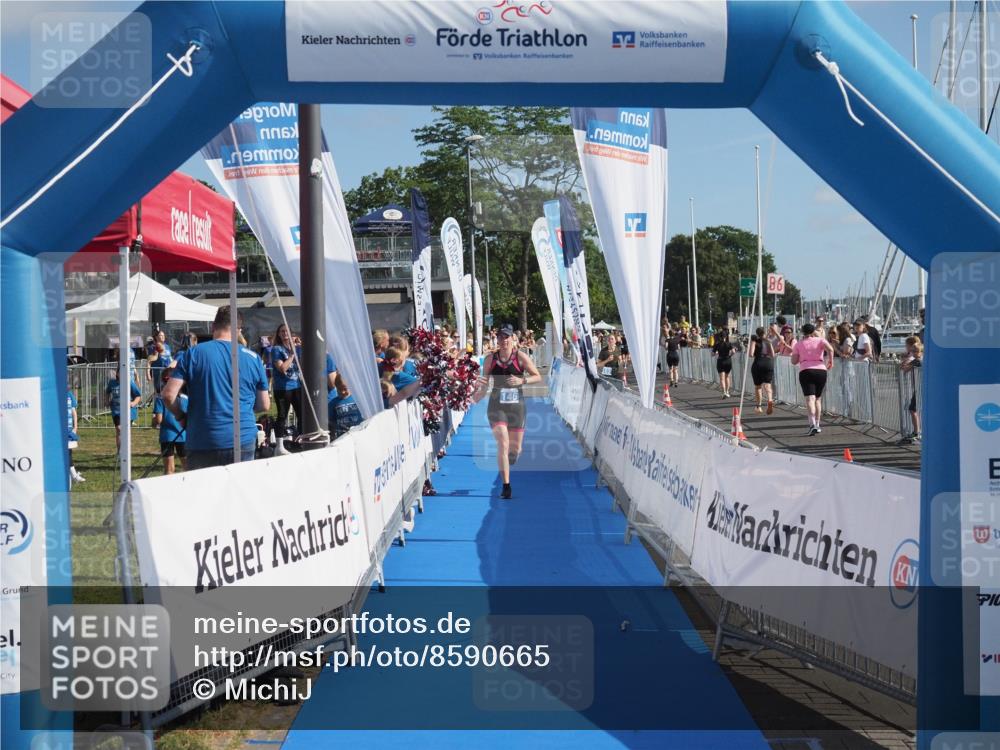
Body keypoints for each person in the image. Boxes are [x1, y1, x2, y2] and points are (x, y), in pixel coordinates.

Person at [161, 305, 270, 469]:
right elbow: (264, 405)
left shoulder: (193, 353)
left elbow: (168, 395)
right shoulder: (254, 358)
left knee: (203, 493)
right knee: (238, 493)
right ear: (238, 330)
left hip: (202, 439)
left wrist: (181, 416)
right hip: (242, 438)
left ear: (213, 326)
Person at [475, 324, 541, 499]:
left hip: (516, 407)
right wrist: (472, 398)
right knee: (502, 444)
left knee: (515, 449)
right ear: (496, 339)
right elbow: (483, 384)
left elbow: (537, 376)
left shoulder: (520, 357)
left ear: (513, 339)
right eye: (500, 337)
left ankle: (512, 456)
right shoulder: (491, 359)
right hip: (497, 407)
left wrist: (522, 381)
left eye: (506, 337)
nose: (503, 340)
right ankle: (506, 486)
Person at [791, 322, 835, 436]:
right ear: (813, 331)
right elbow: (830, 349)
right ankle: (818, 424)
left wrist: (800, 355)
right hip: (821, 370)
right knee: (818, 399)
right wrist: (831, 361)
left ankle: (812, 424)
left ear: (802, 332)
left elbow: (794, 361)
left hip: (806, 370)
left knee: (810, 399)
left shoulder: (799, 344)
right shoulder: (820, 340)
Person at [153, 368, 187, 474]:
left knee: (169, 469)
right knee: (187, 467)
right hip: (183, 435)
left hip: (167, 436)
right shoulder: (186, 398)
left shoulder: (160, 398)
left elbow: (158, 419)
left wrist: (153, 422)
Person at [271, 323, 302, 437]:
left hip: (296, 386)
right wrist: (292, 355)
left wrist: (300, 347)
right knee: (282, 416)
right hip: (283, 388)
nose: (284, 334)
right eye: (282, 331)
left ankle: (300, 438)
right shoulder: (276, 349)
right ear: (278, 334)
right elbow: (282, 368)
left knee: (301, 414)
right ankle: (279, 443)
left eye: (286, 331)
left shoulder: (296, 348)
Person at [106, 367, 141, 451]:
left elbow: (138, 396)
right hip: (116, 410)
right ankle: (119, 451)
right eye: (120, 372)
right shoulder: (112, 382)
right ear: (117, 373)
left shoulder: (129, 383)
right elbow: (107, 392)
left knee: (125, 432)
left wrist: (133, 403)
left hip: (128, 411)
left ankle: (126, 451)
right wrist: (107, 401)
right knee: (119, 429)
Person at [899, 336, 923, 444]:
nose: (913, 353)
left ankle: (917, 432)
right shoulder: (918, 360)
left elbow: (903, 368)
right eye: (912, 351)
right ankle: (917, 431)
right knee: (913, 409)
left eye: (915, 351)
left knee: (913, 409)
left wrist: (907, 358)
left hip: (920, 387)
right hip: (919, 387)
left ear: (920, 352)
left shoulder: (917, 361)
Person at [329, 372, 363, 438]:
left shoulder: (358, 399)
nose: (342, 392)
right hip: (342, 436)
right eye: (339, 389)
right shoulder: (333, 403)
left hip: (358, 433)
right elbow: (330, 420)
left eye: (345, 389)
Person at [749, 327, 775, 414]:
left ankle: (759, 406)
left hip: (758, 363)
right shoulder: (768, 342)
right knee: (768, 385)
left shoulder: (755, 341)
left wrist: (753, 345)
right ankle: (770, 400)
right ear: (764, 333)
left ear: (757, 334)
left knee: (758, 386)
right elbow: (772, 354)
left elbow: (751, 354)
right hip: (768, 363)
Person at [67, 388, 85, 483]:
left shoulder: (69, 395)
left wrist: (75, 427)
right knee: (67, 452)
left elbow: (74, 412)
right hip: (60, 429)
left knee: (68, 452)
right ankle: (73, 475)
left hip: (69, 430)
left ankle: (73, 474)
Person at [711, 330, 735, 398]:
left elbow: (712, 354)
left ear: (720, 337)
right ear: (725, 336)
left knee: (722, 378)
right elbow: (733, 351)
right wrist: (730, 356)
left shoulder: (717, 344)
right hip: (728, 360)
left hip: (720, 360)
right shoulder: (729, 343)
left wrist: (716, 353)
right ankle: (727, 392)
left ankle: (724, 392)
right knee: (727, 377)